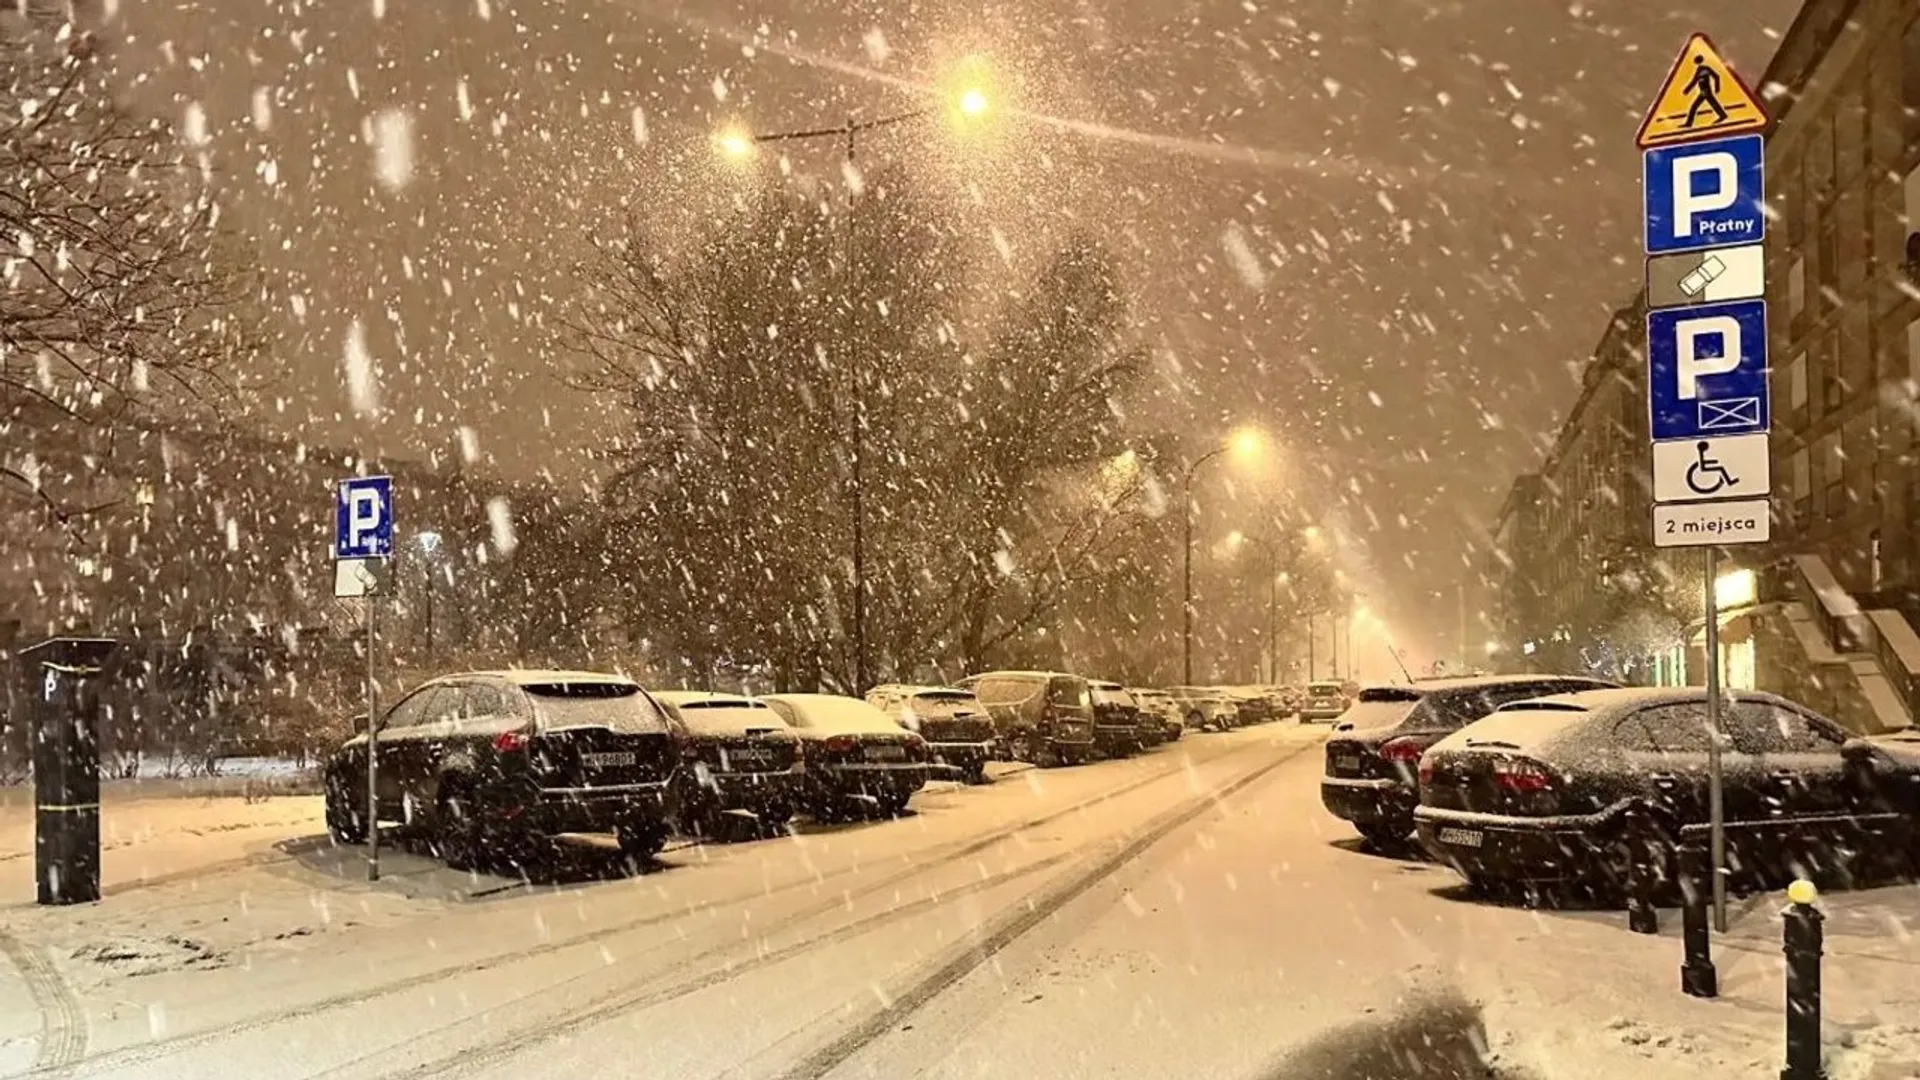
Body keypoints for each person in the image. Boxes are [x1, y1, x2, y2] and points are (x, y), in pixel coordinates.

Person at [1684, 55, 1728, 127]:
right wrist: (1687, 90)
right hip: (1704, 91)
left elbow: (1695, 81)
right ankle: (1723, 115)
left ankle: (1689, 123)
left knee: (1694, 106)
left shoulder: (1702, 69)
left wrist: (1717, 88)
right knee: (1713, 103)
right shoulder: (1703, 69)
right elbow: (1695, 81)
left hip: (1705, 91)